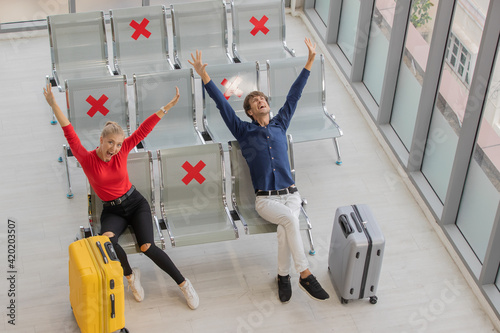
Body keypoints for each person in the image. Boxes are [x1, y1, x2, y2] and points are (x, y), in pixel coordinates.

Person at [188, 38, 329, 303]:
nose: (261, 101)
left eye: (263, 98)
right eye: (256, 100)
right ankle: (305, 274)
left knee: (283, 230)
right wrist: (204, 75)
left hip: (292, 194)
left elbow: (294, 95)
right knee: (289, 222)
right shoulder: (243, 131)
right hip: (266, 199)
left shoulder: (279, 125)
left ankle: (283, 276)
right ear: (250, 111)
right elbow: (222, 105)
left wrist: (309, 62)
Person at [43, 84, 199, 310]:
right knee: (107, 242)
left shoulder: (122, 151)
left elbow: (143, 130)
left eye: (118, 144)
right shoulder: (86, 159)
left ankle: (184, 284)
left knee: (147, 246)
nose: (115, 148)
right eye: (110, 143)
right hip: (113, 210)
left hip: (136, 204)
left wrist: (167, 107)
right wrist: (53, 104)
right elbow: (68, 130)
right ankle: (130, 277)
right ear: (101, 140)